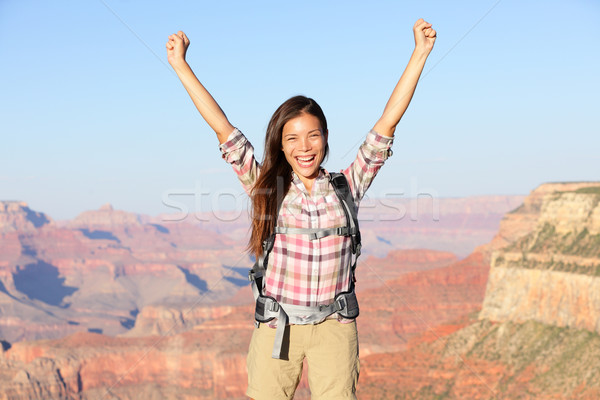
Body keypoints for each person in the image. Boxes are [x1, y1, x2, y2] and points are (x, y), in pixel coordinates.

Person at [166, 18, 436, 400]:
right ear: (280, 143)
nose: (304, 146)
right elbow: (223, 130)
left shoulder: (348, 185)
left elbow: (386, 124)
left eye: (313, 135)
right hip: (278, 326)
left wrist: (419, 54)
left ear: (325, 137)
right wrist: (180, 64)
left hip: (335, 328)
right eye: (292, 138)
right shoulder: (265, 187)